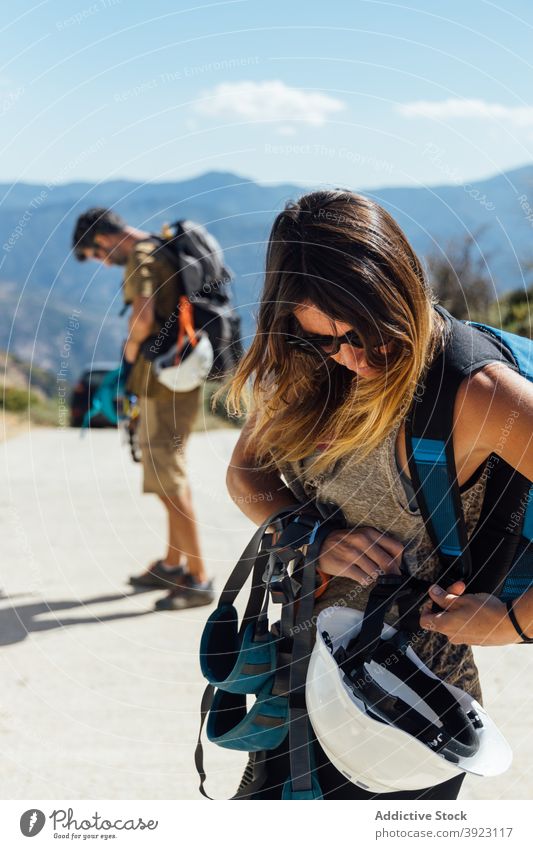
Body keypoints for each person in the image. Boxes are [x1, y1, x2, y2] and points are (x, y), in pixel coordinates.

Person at [224, 190, 533, 799]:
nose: (357, 360)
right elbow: (247, 475)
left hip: (412, 704)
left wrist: (515, 625)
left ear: (404, 292)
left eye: (374, 335)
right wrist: (313, 536)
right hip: (302, 673)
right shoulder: (305, 368)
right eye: (327, 339)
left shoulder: (476, 392)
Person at [72, 207, 214, 611]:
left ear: (104, 239)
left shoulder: (139, 257)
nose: (102, 262)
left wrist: (130, 354)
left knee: (168, 478)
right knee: (170, 475)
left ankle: (199, 578)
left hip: (162, 384)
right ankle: (173, 563)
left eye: (97, 254)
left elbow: (143, 316)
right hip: (175, 376)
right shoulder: (160, 246)